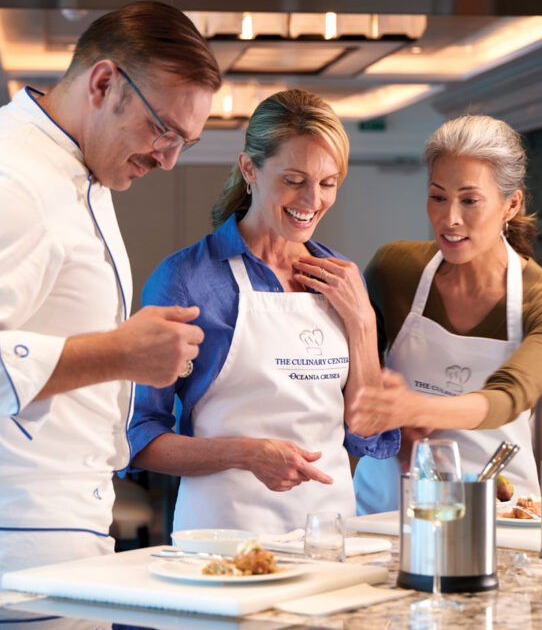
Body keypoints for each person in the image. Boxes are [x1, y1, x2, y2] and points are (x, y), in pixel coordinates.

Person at [0, 1, 221, 609]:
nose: (167, 158)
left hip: (32, 533)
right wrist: (120, 353)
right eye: (162, 130)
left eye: (183, 143)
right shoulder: (8, 181)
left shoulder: (74, 166)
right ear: (104, 82)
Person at [127, 89, 399, 534]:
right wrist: (246, 454)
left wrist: (363, 321)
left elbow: (367, 433)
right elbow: (138, 440)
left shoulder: (344, 280)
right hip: (221, 542)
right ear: (249, 168)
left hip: (329, 538)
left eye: (328, 183)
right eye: (294, 180)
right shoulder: (187, 280)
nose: (312, 200)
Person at [350, 115, 542, 515]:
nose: (449, 219)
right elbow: (355, 379)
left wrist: (413, 408)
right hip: (385, 510)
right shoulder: (393, 268)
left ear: (511, 203)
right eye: (438, 196)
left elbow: (508, 396)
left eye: (469, 200)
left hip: (499, 515)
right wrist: (396, 426)